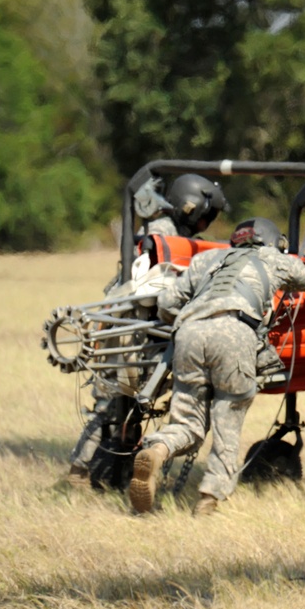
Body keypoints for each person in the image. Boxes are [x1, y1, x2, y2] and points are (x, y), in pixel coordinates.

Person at [128, 217, 305, 516]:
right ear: (272, 241)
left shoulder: (207, 258)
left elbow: (168, 301)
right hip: (235, 332)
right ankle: (209, 498)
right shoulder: (274, 259)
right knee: (228, 417)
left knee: (187, 423)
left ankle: (156, 451)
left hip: (189, 334)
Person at [66, 174, 228, 489]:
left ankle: (91, 468)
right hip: (133, 328)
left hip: (136, 325)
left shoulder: (168, 232)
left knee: (116, 402)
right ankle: (80, 471)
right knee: (112, 399)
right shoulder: (161, 234)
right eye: (206, 216)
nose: (207, 223)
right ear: (189, 208)